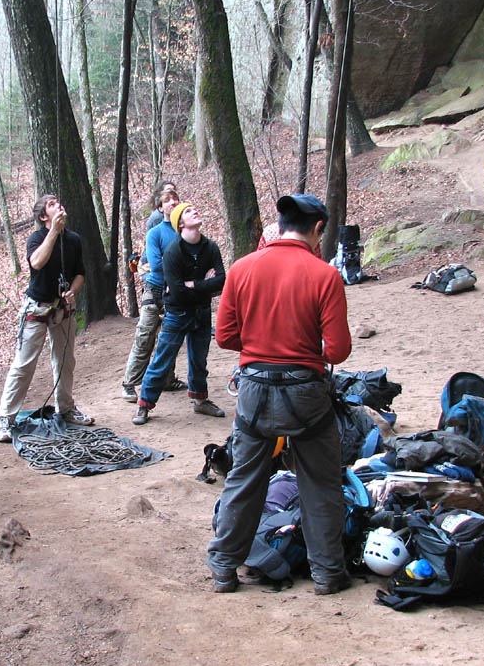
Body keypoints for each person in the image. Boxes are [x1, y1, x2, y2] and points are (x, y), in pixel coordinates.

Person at [206, 194, 352, 596]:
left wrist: (259, 345)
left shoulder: (242, 269)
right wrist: (309, 351)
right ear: (317, 229)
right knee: (320, 482)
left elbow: (225, 337)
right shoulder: (325, 276)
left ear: (281, 222)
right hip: (306, 393)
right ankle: (328, 573)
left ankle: (223, 566)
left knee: (245, 478)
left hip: (253, 389)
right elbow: (338, 351)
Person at [0, 195, 94, 442]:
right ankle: (5, 419)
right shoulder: (37, 238)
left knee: (65, 360)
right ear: (43, 217)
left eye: (59, 202)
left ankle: (67, 409)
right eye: (51, 205)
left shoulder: (74, 240)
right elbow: (37, 262)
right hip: (37, 308)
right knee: (24, 363)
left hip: (62, 308)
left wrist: (73, 290)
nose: (59, 205)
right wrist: (54, 232)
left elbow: (80, 273)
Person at [133, 202, 226, 425]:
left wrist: (194, 285)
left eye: (195, 208)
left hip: (202, 312)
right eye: (188, 211)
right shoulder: (173, 251)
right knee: (163, 358)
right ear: (181, 223)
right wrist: (204, 283)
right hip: (177, 313)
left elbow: (221, 280)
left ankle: (200, 400)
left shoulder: (210, 247)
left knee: (199, 359)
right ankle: (144, 404)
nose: (195, 210)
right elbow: (177, 291)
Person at [121, 185, 187, 402]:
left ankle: (167, 379)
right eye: (168, 199)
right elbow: (155, 264)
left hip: (176, 290)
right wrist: (179, 271)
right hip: (156, 288)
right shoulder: (155, 230)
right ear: (160, 206)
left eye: (175, 198)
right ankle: (130, 383)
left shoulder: (185, 231)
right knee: (145, 335)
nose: (173, 202)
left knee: (170, 337)